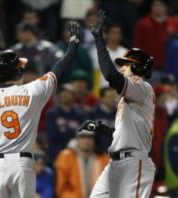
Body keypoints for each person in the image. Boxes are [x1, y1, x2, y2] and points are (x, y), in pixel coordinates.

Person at [0, 22, 80, 197]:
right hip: (23, 165)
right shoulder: (32, 91)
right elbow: (59, 68)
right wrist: (73, 45)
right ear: (18, 73)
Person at [79, 10, 156, 197]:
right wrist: (103, 129)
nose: (122, 67)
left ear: (138, 67)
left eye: (126, 64)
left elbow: (110, 76)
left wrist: (99, 40)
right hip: (116, 162)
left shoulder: (141, 86)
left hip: (133, 163)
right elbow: (128, 134)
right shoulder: (134, 93)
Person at [55, 128, 109, 198]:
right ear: (77, 139)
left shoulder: (103, 158)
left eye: (90, 137)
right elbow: (61, 189)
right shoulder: (65, 157)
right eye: (83, 136)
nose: (86, 140)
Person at [46, 84, 87, 161]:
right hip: (56, 151)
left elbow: (83, 134)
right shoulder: (52, 113)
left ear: (74, 96)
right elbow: (52, 135)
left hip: (75, 150)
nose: (65, 95)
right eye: (63, 92)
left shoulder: (80, 114)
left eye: (68, 93)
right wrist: (72, 132)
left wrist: (63, 130)